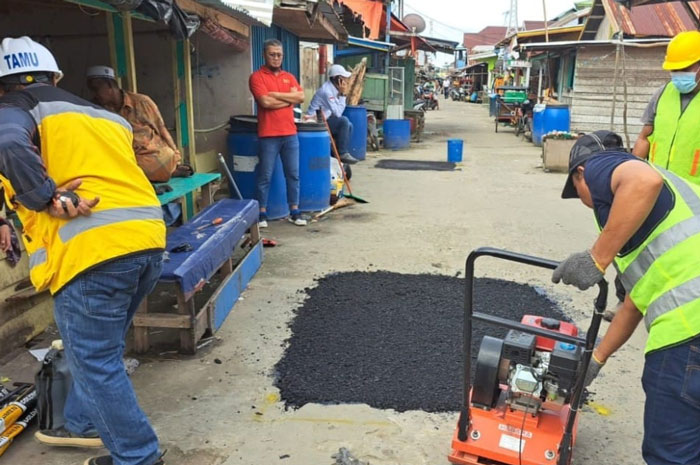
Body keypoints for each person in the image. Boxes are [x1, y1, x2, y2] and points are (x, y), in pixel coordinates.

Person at [0, 37, 166, 465]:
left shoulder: (17, 110)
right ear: (56, 77)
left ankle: (138, 457)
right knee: (97, 354)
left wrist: (42, 196)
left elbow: (7, 145)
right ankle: (83, 422)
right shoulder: (100, 115)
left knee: (95, 361)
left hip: (92, 254)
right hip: (146, 241)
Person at [553, 130, 700, 465]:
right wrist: (598, 359)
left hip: (690, 331)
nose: (583, 200)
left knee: (671, 456)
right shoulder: (670, 202)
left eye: (576, 191)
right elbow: (634, 302)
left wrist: (596, 257)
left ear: (580, 174)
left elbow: (642, 181)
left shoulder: (603, 164)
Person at [86, 65, 189, 226]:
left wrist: (176, 154)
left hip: (154, 155)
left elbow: (161, 128)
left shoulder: (142, 102)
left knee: (161, 161)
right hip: (126, 163)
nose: (94, 95)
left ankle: (169, 171)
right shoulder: (95, 109)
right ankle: (166, 174)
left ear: (110, 86)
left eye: (96, 89)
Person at [249, 38, 307, 227]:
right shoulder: (257, 77)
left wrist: (276, 95)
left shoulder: (289, 77)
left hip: (290, 134)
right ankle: (262, 213)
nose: (276, 58)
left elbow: (301, 97)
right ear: (264, 55)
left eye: (279, 55)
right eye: (272, 54)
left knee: (293, 174)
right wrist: (289, 100)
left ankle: (295, 211)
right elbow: (265, 102)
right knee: (265, 176)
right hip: (268, 135)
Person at [633, 30, 700, 181]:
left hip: (695, 193)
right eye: (674, 70)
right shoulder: (662, 94)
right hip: (658, 187)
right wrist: (633, 173)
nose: (678, 74)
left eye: (685, 69)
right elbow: (644, 138)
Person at [306, 64, 358, 165]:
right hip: (316, 122)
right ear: (337, 79)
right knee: (343, 121)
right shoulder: (327, 91)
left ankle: (338, 153)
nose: (346, 81)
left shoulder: (334, 89)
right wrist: (343, 95)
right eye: (343, 78)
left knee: (349, 125)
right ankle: (342, 153)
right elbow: (338, 113)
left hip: (325, 119)